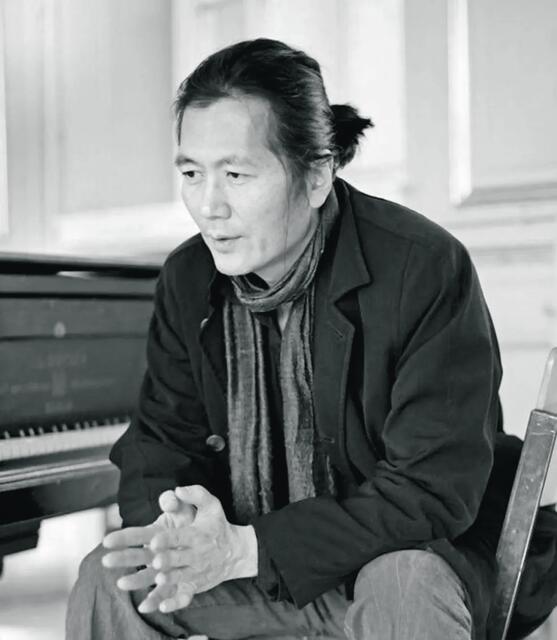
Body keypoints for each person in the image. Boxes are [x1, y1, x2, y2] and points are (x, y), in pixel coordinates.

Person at [66, 37, 533, 640]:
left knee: (403, 582)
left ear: (316, 176)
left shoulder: (422, 267)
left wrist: (248, 548)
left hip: (399, 561)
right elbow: (160, 444)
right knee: (111, 578)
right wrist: (177, 529)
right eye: (191, 174)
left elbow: (431, 491)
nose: (210, 206)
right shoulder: (189, 277)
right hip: (253, 565)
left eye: (236, 174)